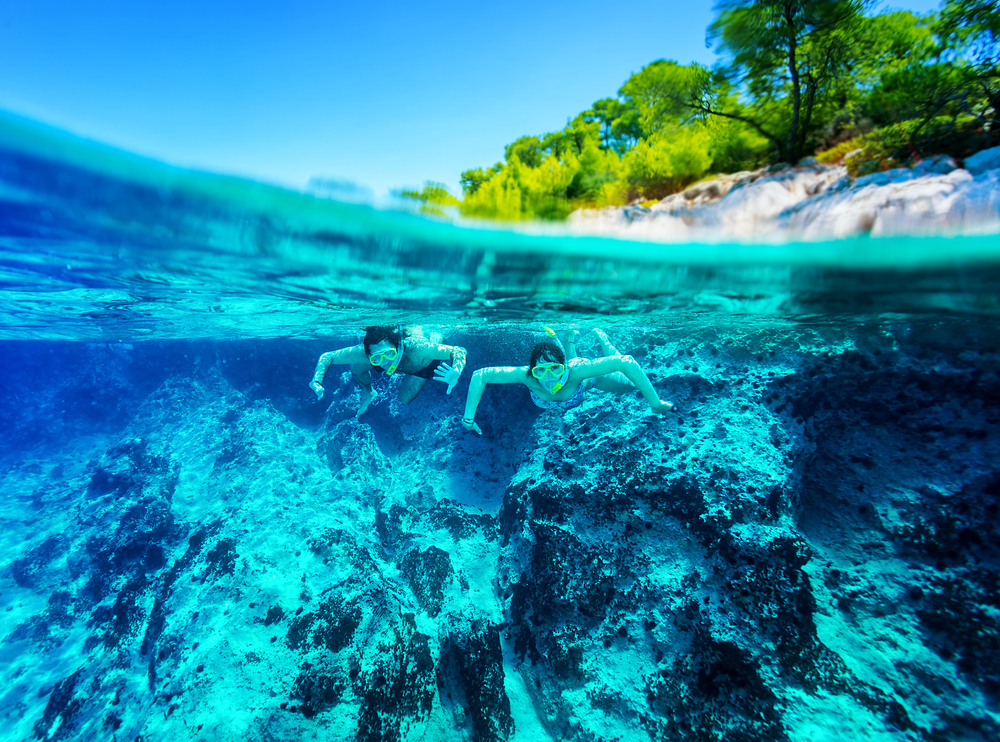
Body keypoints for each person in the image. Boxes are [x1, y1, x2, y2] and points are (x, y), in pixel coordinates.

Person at [461, 328, 672, 435]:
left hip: (587, 381)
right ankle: (570, 336)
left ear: (563, 369)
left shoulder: (576, 371)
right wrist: (468, 420)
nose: (549, 377)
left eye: (555, 369)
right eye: (540, 371)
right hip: (572, 388)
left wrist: (655, 403)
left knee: (628, 386)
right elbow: (481, 375)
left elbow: (625, 362)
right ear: (532, 371)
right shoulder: (527, 376)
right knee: (569, 366)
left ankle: (604, 341)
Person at [310, 326, 467, 417]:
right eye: (377, 358)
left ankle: (417, 377)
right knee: (355, 367)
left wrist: (456, 371)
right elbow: (328, 356)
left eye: (390, 353)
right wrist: (316, 380)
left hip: (422, 366)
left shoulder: (416, 350)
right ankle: (369, 393)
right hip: (401, 356)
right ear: (369, 355)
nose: (386, 362)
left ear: (398, 347)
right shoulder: (364, 353)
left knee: (404, 399)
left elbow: (459, 351)